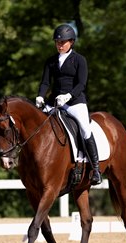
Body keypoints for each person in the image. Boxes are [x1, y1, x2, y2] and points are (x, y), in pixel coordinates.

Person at [35, 24, 102, 185]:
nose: (59, 45)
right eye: (57, 42)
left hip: (74, 102)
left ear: (71, 42)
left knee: (85, 129)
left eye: (63, 42)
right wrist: (40, 96)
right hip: (54, 102)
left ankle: (96, 169)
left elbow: (82, 84)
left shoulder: (79, 60)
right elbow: (45, 82)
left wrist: (68, 96)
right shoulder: (50, 61)